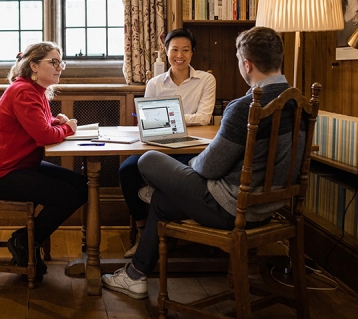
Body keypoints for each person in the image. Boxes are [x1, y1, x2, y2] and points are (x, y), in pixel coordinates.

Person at [102, 26, 303, 299]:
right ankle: (135, 275)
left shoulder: (245, 107)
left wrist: (190, 165)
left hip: (231, 207)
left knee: (148, 160)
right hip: (271, 207)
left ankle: (136, 272)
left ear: (247, 64)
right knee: (161, 200)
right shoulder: (299, 103)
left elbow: (210, 168)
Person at [0, 41, 89, 281]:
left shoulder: (33, 89)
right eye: (54, 62)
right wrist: (67, 128)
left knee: (82, 185)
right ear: (34, 66)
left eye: (61, 63)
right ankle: (25, 241)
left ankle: (28, 240)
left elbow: (39, 126)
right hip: (1, 174)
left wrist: (58, 123)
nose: (60, 67)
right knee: (70, 195)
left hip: (22, 165)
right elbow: (43, 136)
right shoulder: (23, 91)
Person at [119, 28, 216, 258]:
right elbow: (148, 120)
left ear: (193, 53)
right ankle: (143, 231)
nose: (179, 55)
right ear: (166, 51)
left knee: (182, 174)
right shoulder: (155, 83)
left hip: (191, 146)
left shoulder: (206, 80)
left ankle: (172, 230)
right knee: (127, 170)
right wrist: (177, 120)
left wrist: (167, 118)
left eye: (185, 50)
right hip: (158, 145)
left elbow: (204, 117)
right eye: (174, 50)